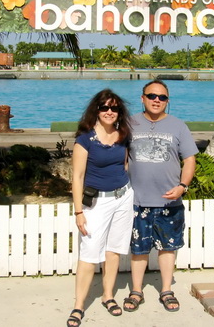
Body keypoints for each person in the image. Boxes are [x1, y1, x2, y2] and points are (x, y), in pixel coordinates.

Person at [124, 80, 198, 313]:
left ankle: (166, 290)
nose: (157, 100)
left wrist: (182, 186)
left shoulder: (178, 126)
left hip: (170, 200)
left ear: (167, 101)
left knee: (168, 248)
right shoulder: (129, 124)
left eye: (162, 97)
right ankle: (136, 291)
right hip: (137, 201)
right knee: (139, 249)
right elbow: (122, 158)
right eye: (152, 96)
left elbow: (190, 160)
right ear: (143, 98)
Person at [67, 89, 134, 327]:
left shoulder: (123, 135)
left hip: (123, 198)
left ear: (119, 112)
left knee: (113, 250)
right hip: (97, 203)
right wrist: (78, 212)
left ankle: (108, 296)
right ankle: (78, 306)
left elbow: (124, 165)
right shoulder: (85, 140)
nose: (109, 112)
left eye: (114, 108)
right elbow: (77, 176)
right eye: (104, 107)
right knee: (88, 254)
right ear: (96, 110)